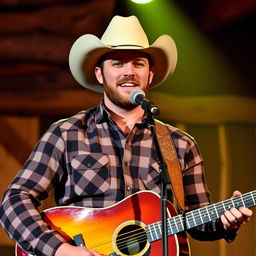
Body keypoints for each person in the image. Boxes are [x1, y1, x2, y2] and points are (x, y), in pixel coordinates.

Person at [0, 15, 253, 256]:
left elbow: (197, 220)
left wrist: (224, 221)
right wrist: (60, 249)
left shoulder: (180, 144)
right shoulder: (67, 132)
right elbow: (14, 201)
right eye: (118, 63)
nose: (128, 71)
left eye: (138, 63)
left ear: (150, 74)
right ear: (100, 74)